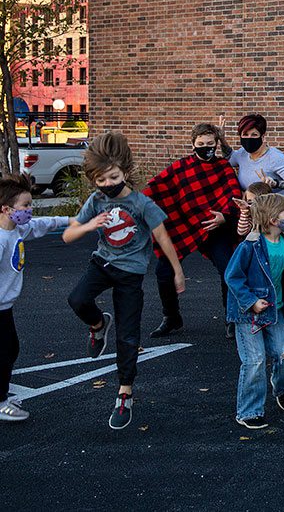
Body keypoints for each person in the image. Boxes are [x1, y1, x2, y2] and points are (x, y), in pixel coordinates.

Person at [63, 132, 186, 430]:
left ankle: (124, 393)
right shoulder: (97, 201)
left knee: (128, 336)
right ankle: (97, 325)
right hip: (102, 264)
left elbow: (162, 237)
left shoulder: (143, 204)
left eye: (113, 177)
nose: (108, 185)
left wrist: (177, 270)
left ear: (125, 171)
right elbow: (69, 235)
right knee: (77, 299)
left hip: (130, 275)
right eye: (101, 180)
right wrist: (89, 224)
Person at [225, 194, 284, 429]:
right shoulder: (251, 245)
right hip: (248, 314)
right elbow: (232, 276)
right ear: (273, 219)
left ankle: (281, 388)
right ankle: (249, 412)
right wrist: (251, 301)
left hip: (275, 311)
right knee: (254, 361)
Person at [144, 123, 242, 340]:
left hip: (214, 228)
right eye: (201, 144)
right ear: (193, 144)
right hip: (187, 227)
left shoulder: (223, 168)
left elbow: (235, 195)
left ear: (216, 144)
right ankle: (171, 317)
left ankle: (231, 319)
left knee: (229, 270)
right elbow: (155, 188)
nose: (206, 148)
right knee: (163, 272)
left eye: (210, 144)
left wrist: (225, 216)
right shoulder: (181, 167)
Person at [0, 174, 71, 422]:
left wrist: (73, 220)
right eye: (26, 206)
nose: (30, 210)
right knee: (6, 351)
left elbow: (44, 224)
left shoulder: (17, 228)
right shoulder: (0, 239)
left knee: (9, 350)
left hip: (4, 307)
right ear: (6, 209)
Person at [230, 114, 284, 235]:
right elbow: (227, 158)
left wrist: (275, 183)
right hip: (257, 217)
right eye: (245, 134)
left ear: (262, 137)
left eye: (254, 135)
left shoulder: (274, 157)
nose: (249, 138)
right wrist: (220, 139)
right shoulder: (242, 154)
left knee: (278, 253)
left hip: (280, 217)